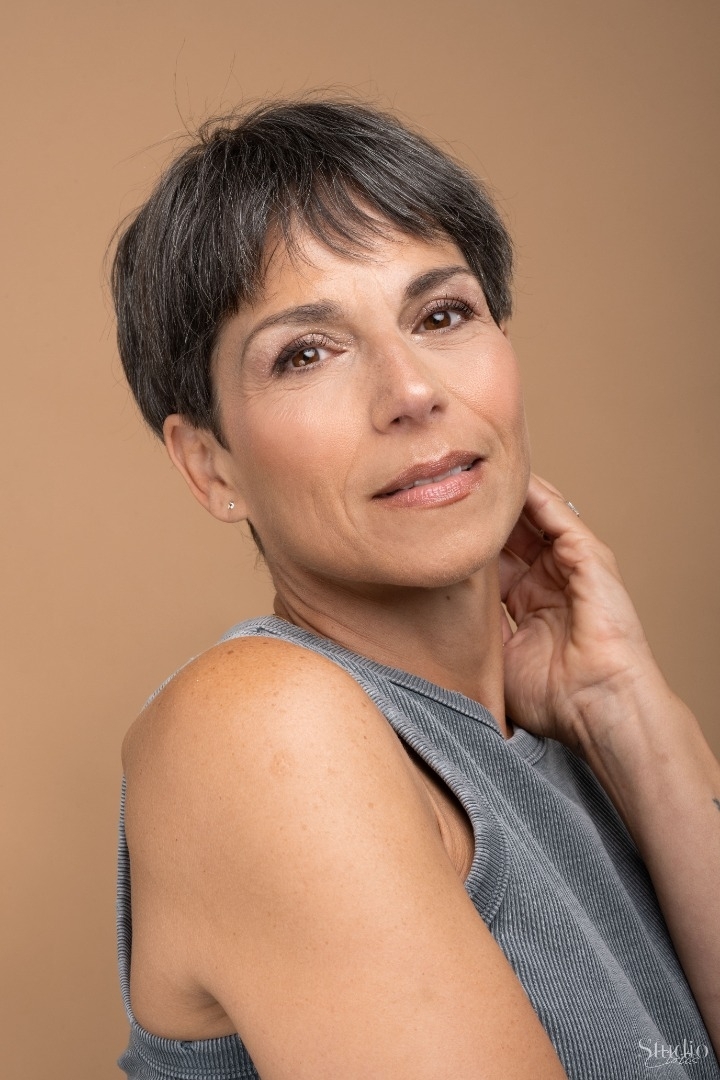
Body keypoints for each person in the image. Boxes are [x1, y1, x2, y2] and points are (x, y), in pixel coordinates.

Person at [112, 99, 720, 1080]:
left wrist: (628, 711)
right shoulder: (262, 729)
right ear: (210, 465)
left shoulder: (564, 748)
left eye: (442, 315)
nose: (411, 391)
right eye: (306, 353)